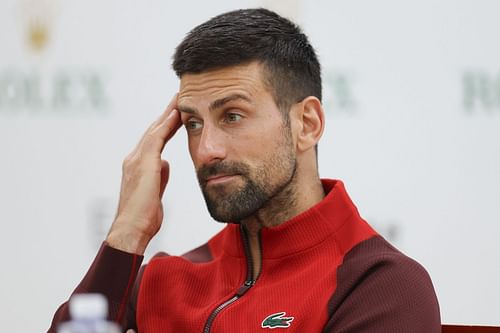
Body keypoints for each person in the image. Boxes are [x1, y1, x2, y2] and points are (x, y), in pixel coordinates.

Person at [48, 8, 441, 333]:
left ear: (307, 124)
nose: (206, 150)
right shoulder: (162, 280)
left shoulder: (379, 285)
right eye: (193, 124)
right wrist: (127, 233)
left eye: (232, 116)